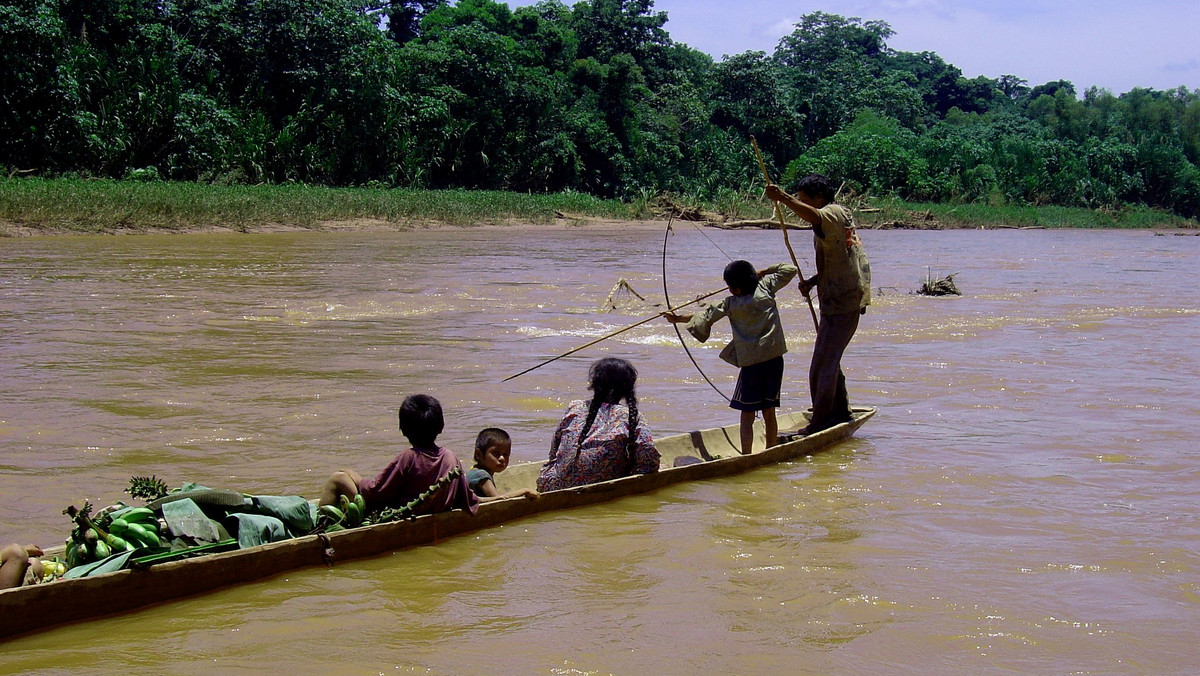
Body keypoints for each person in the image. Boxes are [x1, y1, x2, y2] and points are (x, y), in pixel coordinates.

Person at [765, 173, 871, 434]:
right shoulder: (841, 213)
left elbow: (814, 217)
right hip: (841, 296)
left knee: (822, 365)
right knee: (830, 359)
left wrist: (783, 198)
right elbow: (841, 256)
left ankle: (823, 419)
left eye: (804, 200)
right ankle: (839, 410)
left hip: (842, 301)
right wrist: (813, 282)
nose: (801, 205)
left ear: (819, 198)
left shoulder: (831, 213)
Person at [665, 259, 797, 453]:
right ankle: (771, 450)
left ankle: (746, 454)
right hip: (774, 360)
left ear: (735, 289)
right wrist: (764, 271)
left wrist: (676, 319)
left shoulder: (730, 304)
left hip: (752, 364)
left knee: (747, 413)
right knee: (769, 410)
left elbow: (705, 316)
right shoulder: (766, 287)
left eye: (730, 287)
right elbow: (790, 269)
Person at [319, 394, 478, 516]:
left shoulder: (410, 457)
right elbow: (467, 497)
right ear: (441, 427)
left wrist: (354, 477)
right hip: (419, 512)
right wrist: (498, 498)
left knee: (338, 478)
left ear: (403, 430)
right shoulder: (451, 457)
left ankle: (320, 526)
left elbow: (377, 491)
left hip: (395, 514)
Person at [536, 358, 660, 492]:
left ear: (595, 383)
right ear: (627, 388)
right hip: (597, 486)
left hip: (551, 484)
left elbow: (554, 449)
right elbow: (648, 456)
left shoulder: (575, 406)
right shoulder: (632, 416)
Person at [467, 427, 539, 502]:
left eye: (505, 454)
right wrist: (525, 491)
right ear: (478, 454)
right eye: (496, 453)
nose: (502, 458)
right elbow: (499, 500)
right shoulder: (481, 475)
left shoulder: (474, 469)